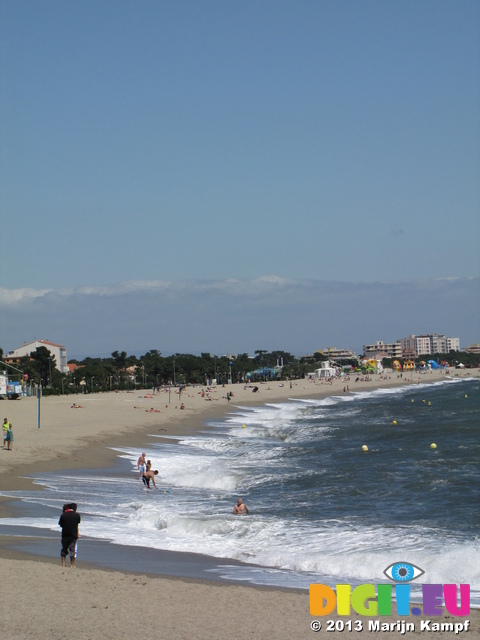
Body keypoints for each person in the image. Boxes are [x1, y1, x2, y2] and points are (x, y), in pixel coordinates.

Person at [58, 503, 81, 568]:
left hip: (65, 534)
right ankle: (72, 565)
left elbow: (61, 525)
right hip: (73, 534)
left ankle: (63, 564)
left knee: (64, 549)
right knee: (72, 549)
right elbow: (77, 525)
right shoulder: (77, 515)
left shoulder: (63, 515)